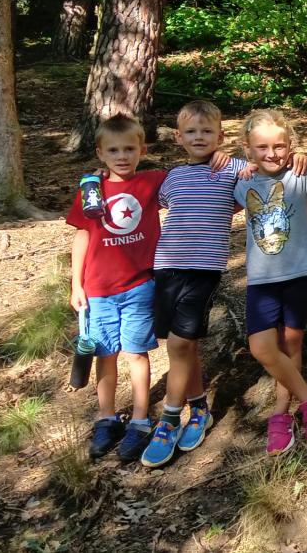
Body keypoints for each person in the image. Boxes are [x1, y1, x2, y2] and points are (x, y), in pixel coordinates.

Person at [141, 101, 280, 467]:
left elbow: (259, 170)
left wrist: (240, 162)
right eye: (191, 132)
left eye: (207, 131)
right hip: (166, 267)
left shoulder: (231, 168)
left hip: (203, 269)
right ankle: (200, 409)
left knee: (180, 343)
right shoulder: (171, 177)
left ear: (220, 136)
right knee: (182, 346)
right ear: (178, 137)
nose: (199, 137)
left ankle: (170, 419)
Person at [233, 110, 307, 455]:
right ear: (248, 149)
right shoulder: (241, 182)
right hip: (261, 279)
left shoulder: (299, 176)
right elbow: (209, 172)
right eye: (262, 147)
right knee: (262, 348)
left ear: (290, 146)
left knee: (291, 344)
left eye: (279, 146)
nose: (272, 153)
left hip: (300, 274)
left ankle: (281, 414)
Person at [67, 115, 168, 462]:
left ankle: (140, 419)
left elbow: (194, 178)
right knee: (105, 354)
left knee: (136, 353)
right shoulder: (91, 191)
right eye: (113, 150)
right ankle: (106, 417)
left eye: (129, 149)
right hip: (98, 290)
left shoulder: (153, 182)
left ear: (142, 149)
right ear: (100, 152)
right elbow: (82, 236)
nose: (122, 156)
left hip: (139, 285)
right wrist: (76, 283)